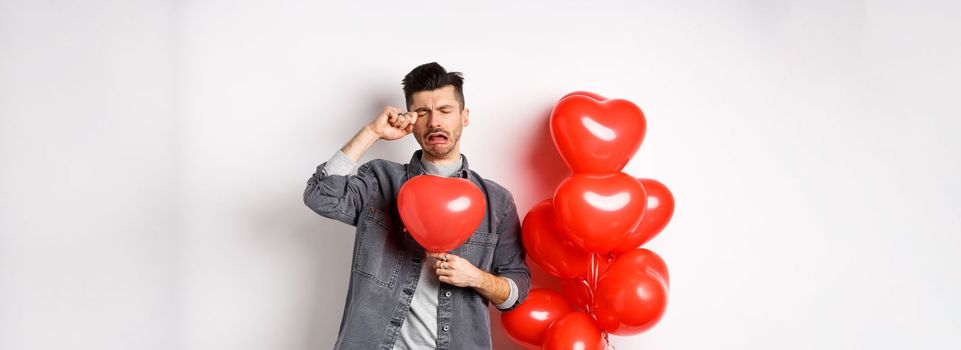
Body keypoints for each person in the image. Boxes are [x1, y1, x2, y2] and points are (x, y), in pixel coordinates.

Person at [303, 62, 530, 349]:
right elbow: (320, 195)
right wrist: (372, 132)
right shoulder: (380, 181)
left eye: (445, 111)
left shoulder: (497, 201)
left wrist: (476, 278)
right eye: (423, 112)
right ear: (411, 120)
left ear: (464, 117)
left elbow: (516, 289)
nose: (434, 122)